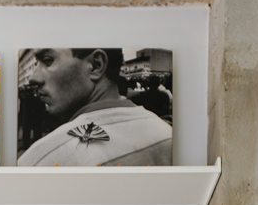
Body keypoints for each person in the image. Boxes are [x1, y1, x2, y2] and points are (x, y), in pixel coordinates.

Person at [17, 48, 172, 167]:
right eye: (36, 64)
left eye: (48, 60)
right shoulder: (167, 134)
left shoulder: (40, 161)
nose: (33, 78)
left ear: (96, 66)